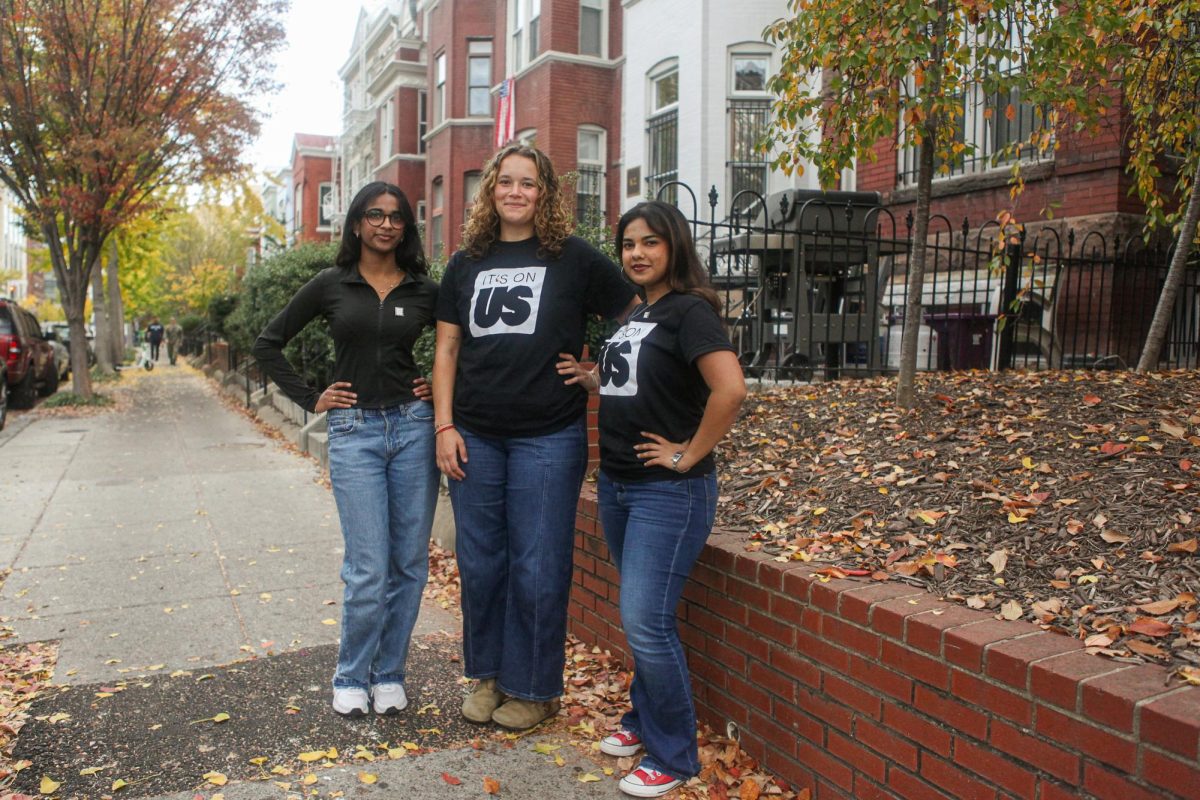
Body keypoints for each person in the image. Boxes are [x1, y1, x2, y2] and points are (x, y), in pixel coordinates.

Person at [433, 143, 636, 731]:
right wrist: (444, 425)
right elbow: (447, 348)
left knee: (538, 565)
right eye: (506, 181)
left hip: (549, 436)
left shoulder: (574, 258)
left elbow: (634, 318)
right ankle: (490, 676)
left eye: (528, 183)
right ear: (491, 190)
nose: (515, 192)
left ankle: (536, 688)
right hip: (475, 433)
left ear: (544, 193)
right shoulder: (466, 261)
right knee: (481, 562)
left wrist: (600, 374)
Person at [558, 201, 746, 797]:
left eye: (650, 243)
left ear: (675, 247)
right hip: (618, 485)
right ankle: (643, 722)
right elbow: (642, 378)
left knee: (646, 621)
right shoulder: (642, 311)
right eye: (629, 244)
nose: (637, 253)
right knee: (642, 618)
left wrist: (687, 453)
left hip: (670, 491)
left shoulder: (690, 311)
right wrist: (595, 379)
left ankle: (674, 754)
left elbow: (730, 388)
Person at [253, 182, 439, 717]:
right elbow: (268, 343)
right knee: (367, 567)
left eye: (397, 216)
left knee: (408, 563)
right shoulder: (331, 284)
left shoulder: (424, 289)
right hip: (354, 433)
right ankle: (352, 674)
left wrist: (437, 387)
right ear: (356, 224)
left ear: (406, 227)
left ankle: (389, 674)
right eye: (375, 215)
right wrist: (313, 398)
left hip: (412, 430)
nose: (386, 224)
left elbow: (462, 345)